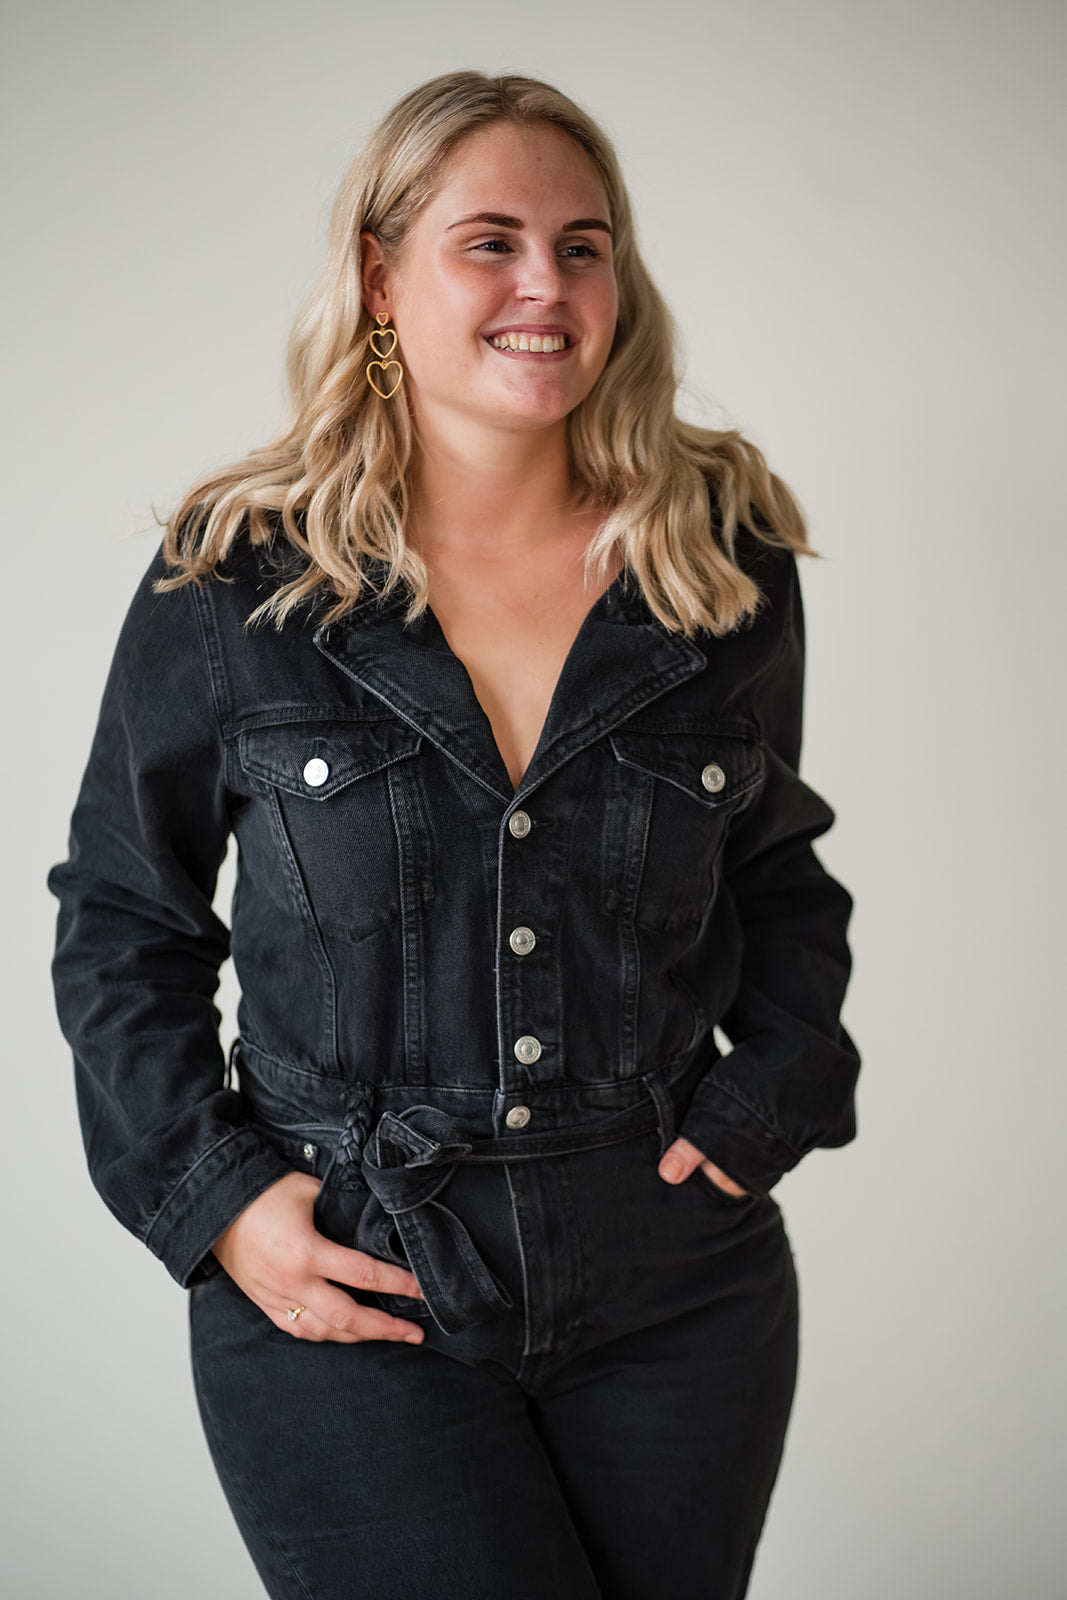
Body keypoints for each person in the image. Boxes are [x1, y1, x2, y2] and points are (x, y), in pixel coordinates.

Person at [48, 70, 860, 1600]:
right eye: (491, 243)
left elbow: (777, 871)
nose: (545, 285)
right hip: (352, 1277)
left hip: (678, 1294)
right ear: (379, 276)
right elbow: (123, 920)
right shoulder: (233, 579)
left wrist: (778, 1092)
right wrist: (218, 1202)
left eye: (583, 246)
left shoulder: (716, 560)